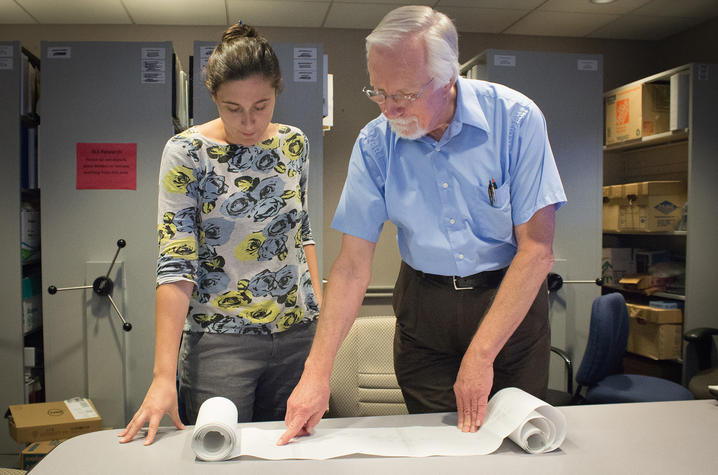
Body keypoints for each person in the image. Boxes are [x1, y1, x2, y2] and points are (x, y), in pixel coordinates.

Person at [278, 5, 566, 445]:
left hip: (508, 302)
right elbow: (353, 265)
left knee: (515, 443)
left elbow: (536, 250)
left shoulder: (516, 120)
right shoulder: (376, 143)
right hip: (424, 308)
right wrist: (316, 374)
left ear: (449, 77)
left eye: (405, 95)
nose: (390, 109)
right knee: (439, 445)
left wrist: (480, 356)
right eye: (379, 92)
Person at [118, 22, 322, 445]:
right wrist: (162, 376)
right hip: (220, 342)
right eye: (233, 108)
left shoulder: (294, 144)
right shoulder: (187, 152)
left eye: (261, 106)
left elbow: (302, 233)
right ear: (213, 97)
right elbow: (176, 261)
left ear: (276, 95)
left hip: (296, 336)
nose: (248, 122)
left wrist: (318, 314)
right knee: (220, 453)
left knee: (294, 451)